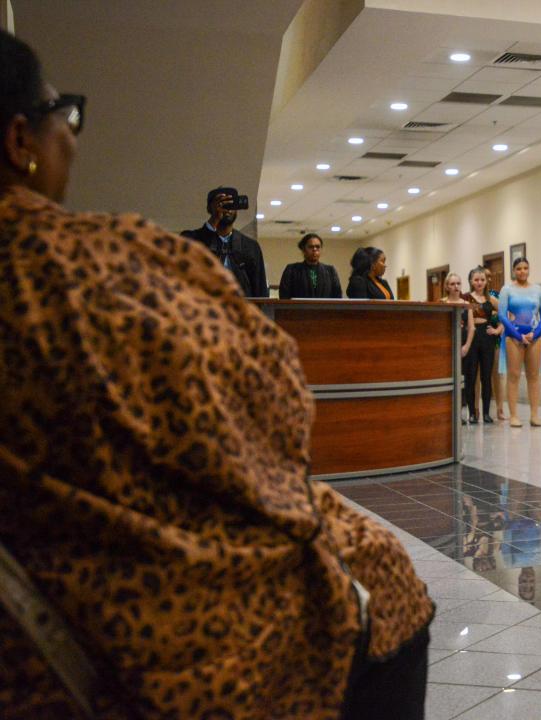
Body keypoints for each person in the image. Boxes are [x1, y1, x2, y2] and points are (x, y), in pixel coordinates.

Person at [0, 29, 432, 719]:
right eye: (66, 116)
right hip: (149, 628)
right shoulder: (106, 264)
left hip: (40, 590)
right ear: (21, 140)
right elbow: (273, 421)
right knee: (382, 572)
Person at [181, 186, 269, 298]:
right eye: (222, 203)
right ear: (209, 208)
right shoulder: (191, 239)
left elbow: (260, 291)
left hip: (240, 311)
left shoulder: (250, 246)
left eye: (232, 203)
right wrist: (214, 220)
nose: (228, 209)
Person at [498, 257, 541, 428]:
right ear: (514, 271)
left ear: (529, 269)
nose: (522, 271)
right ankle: (513, 415)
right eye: (519, 268)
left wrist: (534, 334)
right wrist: (518, 336)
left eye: (525, 268)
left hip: (534, 336)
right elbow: (502, 315)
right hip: (513, 336)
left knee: (533, 376)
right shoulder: (507, 290)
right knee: (513, 376)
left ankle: (535, 414)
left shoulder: (538, 290)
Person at [465, 267, 503, 423]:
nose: (479, 282)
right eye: (476, 280)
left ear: (486, 281)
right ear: (471, 281)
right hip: (471, 338)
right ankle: (473, 413)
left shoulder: (491, 299)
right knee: (471, 377)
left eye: (482, 279)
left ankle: (487, 413)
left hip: (487, 338)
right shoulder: (466, 298)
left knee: (486, 377)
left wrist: (497, 330)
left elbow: (506, 316)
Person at [441, 273, 475, 420]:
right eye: (453, 284)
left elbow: (471, 327)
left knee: (463, 380)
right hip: (446, 348)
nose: (456, 287)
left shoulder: (466, 305)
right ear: (447, 287)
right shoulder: (442, 303)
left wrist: (466, 346)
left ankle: (462, 411)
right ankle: (448, 411)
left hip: (462, 347)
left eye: (458, 284)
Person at [278, 232, 343, 299]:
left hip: (325, 309)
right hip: (299, 309)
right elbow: (284, 296)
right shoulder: (292, 270)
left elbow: (337, 296)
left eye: (317, 247)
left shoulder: (330, 271)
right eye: (311, 247)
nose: (314, 249)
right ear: (303, 249)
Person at [484, 266, 507, 420]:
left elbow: (505, 314)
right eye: (481, 277)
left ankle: (500, 408)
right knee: (479, 376)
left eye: (488, 276)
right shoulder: (470, 297)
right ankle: (477, 410)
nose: (486, 280)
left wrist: (498, 329)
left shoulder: (494, 295)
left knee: (497, 374)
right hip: (478, 338)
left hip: (495, 339)